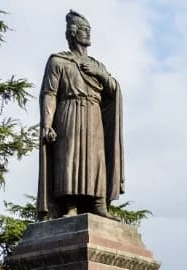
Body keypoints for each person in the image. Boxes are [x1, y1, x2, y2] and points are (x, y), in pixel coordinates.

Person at [37, 10, 124, 220]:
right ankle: (71, 206)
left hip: (93, 114)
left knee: (97, 159)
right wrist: (47, 124)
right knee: (70, 157)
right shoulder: (58, 61)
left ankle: (99, 204)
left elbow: (113, 89)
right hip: (69, 112)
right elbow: (49, 93)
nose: (88, 33)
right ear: (73, 33)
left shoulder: (97, 65)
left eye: (89, 29)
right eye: (84, 29)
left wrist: (99, 73)